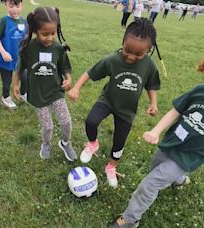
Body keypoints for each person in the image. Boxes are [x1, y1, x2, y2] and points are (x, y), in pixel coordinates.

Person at [108, 35, 204, 228]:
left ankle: (131, 219)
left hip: (190, 156)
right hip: (171, 142)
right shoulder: (201, 91)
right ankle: (179, 179)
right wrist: (156, 130)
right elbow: (176, 110)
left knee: (150, 183)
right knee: (156, 167)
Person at [68, 18, 160, 188]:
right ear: (123, 42)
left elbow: (151, 85)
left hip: (127, 110)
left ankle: (111, 166)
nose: (131, 57)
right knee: (91, 121)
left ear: (149, 50)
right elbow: (90, 72)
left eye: (138, 54)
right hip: (108, 100)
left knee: (119, 141)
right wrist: (77, 88)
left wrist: (153, 103)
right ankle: (93, 144)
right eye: (127, 50)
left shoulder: (149, 65)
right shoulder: (112, 59)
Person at [12, 7, 77, 161]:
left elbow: (64, 67)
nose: (49, 38)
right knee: (48, 127)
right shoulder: (29, 48)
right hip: (38, 94)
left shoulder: (58, 48)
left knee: (66, 121)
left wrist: (68, 79)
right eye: (45, 34)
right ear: (35, 30)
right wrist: (15, 85)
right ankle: (46, 144)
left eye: (53, 33)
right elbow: (19, 67)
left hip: (55, 91)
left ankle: (65, 143)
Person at [0, 0, 27, 110]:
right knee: (7, 81)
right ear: (5, 5)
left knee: (25, 78)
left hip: (20, 59)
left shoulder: (24, 21)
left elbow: (26, 38)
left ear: (22, 5)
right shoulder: (3, 21)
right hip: (6, 58)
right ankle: (5, 98)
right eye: (11, 6)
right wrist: (3, 52)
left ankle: (23, 94)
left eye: (17, 6)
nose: (14, 9)